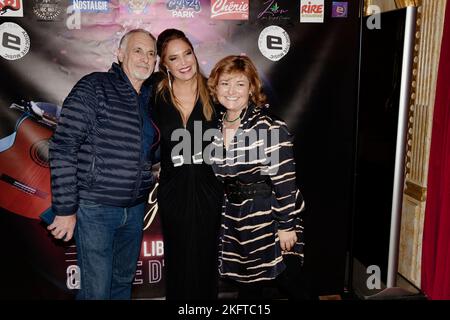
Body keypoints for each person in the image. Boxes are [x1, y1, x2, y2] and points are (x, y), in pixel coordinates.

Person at [48, 29, 159, 300]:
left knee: (122, 284)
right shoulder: (95, 85)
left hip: (134, 211)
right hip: (96, 209)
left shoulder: (150, 99)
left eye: (151, 53)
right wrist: (65, 210)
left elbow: (146, 153)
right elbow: (63, 146)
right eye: (138, 50)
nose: (146, 58)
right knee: (95, 291)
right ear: (120, 54)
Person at [207, 55, 307, 299]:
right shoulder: (214, 127)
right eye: (225, 83)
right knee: (248, 289)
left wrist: (286, 227)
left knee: (292, 283)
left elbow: (285, 182)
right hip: (235, 221)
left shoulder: (269, 127)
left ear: (251, 88)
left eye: (240, 84)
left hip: (269, 219)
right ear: (215, 87)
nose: (231, 91)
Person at [152, 28, 223, 300]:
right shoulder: (155, 95)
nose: (183, 62)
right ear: (164, 64)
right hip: (172, 190)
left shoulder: (215, 92)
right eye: (174, 58)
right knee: (178, 260)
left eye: (187, 53)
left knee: (205, 260)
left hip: (210, 188)